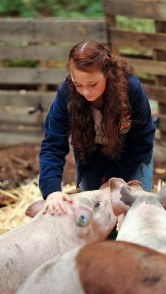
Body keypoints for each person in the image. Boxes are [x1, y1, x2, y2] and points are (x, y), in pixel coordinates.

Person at [39, 40, 155, 218]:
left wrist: (111, 180)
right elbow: (53, 143)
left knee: (135, 213)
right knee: (94, 216)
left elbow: (142, 141)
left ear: (107, 73)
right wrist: (52, 190)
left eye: (92, 84)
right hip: (91, 156)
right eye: (79, 84)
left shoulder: (131, 88)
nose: (85, 92)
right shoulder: (66, 92)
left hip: (131, 155)